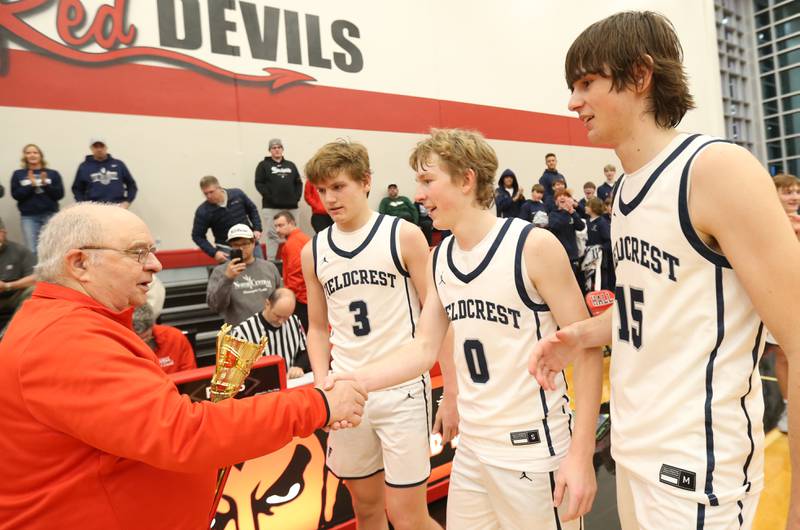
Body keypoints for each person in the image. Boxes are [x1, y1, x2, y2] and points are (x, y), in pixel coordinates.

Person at [529, 11, 800, 529]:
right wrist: (584, 333)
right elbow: (664, 307)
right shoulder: (627, 188)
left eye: (587, 82)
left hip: (697, 471)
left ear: (640, 75)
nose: (572, 101)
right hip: (635, 453)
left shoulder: (715, 169)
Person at [0, 202, 367, 530]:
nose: (155, 264)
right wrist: (317, 404)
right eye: (138, 252)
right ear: (79, 263)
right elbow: (182, 435)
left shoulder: (72, 325)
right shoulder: (64, 338)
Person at [325, 129, 602, 529]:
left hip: (533, 449)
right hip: (472, 449)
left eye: (427, 180)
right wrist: (349, 381)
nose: (417, 194)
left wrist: (581, 455)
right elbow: (422, 349)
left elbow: (587, 347)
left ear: (467, 179)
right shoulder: (440, 258)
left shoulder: (533, 246)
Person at [301, 140, 444, 530]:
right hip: (346, 396)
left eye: (338, 186)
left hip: (402, 392)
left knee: (408, 516)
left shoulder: (404, 235)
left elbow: (438, 317)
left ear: (365, 182)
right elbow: (316, 327)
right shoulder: (313, 250)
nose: (330, 198)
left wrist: (455, 394)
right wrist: (321, 384)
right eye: (322, 190)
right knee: (366, 511)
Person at [764, 172, 800, 434]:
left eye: (797, 191)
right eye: (788, 191)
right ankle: (789, 406)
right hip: (780, 296)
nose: (794, 196)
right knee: (784, 356)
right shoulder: (769, 224)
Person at [207, 224, 281, 326]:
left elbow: (281, 298)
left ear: (253, 243)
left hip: (270, 330)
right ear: (230, 246)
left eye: (245, 244)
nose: (241, 248)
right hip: (239, 335)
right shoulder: (220, 271)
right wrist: (227, 278)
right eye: (236, 245)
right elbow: (215, 306)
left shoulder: (269, 267)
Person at [232, 288, 310, 379]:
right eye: (277, 315)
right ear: (267, 304)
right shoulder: (242, 332)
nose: (281, 321)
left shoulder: (294, 321)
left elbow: (304, 352)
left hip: (290, 382)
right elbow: (233, 370)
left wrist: (299, 366)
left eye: (286, 317)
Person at [192, 175, 263, 263]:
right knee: (233, 275)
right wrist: (214, 253)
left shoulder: (237, 194)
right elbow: (197, 236)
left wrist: (257, 229)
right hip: (227, 248)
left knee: (260, 272)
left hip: (250, 243)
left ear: (219, 188)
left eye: (211, 192)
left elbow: (252, 210)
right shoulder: (203, 211)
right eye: (205, 193)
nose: (209, 196)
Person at [10, 144, 64, 255]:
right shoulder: (18, 174)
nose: (32, 155)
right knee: (32, 250)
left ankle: (52, 273)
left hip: (50, 215)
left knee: (53, 248)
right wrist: (31, 185)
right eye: (28, 153)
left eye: (35, 152)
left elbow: (59, 195)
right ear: (24, 156)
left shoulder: (52, 174)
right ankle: (36, 272)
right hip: (29, 217)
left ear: (40, 155)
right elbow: (16, 195)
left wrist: (45, 185)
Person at [254, 138, 303, 261]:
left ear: (282, 149)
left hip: (292, 206)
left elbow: (298, 183)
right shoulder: (263, 165)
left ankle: (295, 258)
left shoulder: (290, 165)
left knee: (293, 233)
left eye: (279, 147)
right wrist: (271, 197)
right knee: (273, 234)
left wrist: (296, 198)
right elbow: (259, 183)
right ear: (270, 150)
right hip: (271, 207)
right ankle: (271, 261)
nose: (276, 150)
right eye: (274, 148)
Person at [132, 303, 197, 374]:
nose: (143, 343)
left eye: (146, 337)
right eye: (138, 339)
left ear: (152, 325)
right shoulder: (120, 347)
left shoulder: (174, 337)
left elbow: (190, 374)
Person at [273, 210, 310, 330]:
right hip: (307, 296)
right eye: (276, 226)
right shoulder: (303, 238)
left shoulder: (292, 243)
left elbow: (296, 273)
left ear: (292, 223)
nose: (277, 230)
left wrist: (291, 298)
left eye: (281, 225)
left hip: (301, 299)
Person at [72, 138, 137, 207]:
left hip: (117, 206)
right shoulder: (84, 167)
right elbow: (77, 189)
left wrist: (127, 202)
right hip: (94, 207)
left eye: (101, 146)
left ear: (106, 147)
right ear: (91, 148)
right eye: (96, 147)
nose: (99, 149)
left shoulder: (119, 165)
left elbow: (131, 185)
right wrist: (83, 204)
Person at [0, 218, 36, 320]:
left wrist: (8, 286)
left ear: (4, 232)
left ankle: (17, 326)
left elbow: (36, 278)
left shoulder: (19, 250)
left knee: (34, 290)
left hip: (14, 298)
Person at [549, 189, 586, 288]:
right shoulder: (553, 214)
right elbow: (554, 226)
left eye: (565, 195)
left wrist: (573, 212)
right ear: (556, 201)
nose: (562, 197)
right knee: (560, 283)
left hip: (573, 256)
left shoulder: (572, 214)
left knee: (572, 283)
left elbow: (581, 226)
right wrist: (565, 212)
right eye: (559, 196)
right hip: (559, 255)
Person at [583, 197, 614, 292]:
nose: (585, 207)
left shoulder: (602, 223)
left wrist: (599, 249)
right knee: (588, 282)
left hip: (599, 260)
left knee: (600, 281)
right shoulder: (586, 221)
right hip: (588, 258)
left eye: (588, 206)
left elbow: (609, 241)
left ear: (594, 208)